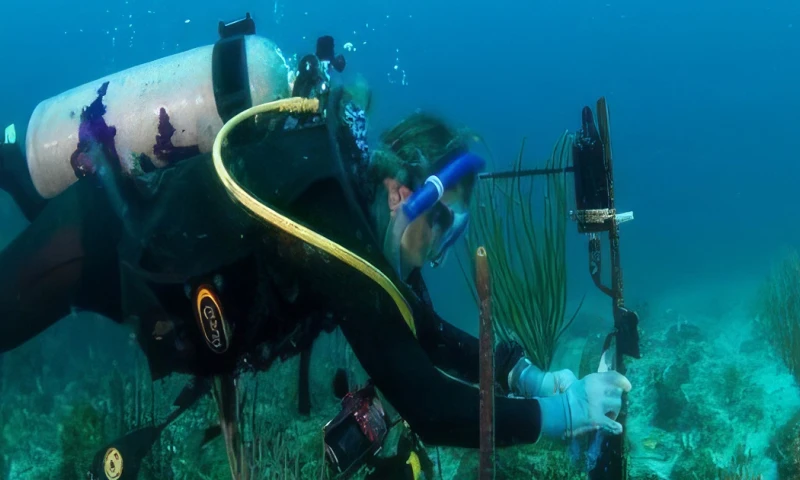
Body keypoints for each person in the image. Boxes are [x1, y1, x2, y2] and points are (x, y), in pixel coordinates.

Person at [0, 14, 631, 477]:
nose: (438, 249)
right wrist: (562, 416)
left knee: (28, 207)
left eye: (452, 233)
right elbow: (426, 402)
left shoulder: (370, 231)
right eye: (440, 223)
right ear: (397, 190)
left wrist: (532, 377)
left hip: (144, 289)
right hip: (101, 241)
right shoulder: (332, 222)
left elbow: (429, 334)